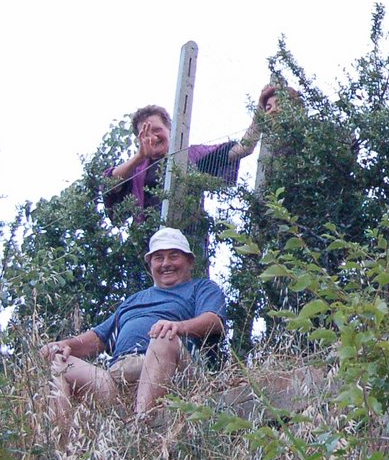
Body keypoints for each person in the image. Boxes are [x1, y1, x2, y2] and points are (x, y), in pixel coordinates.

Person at [39, 227, 227, 419]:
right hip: (116, 379)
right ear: (150, 265)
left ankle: (141, 424)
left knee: (164, 337)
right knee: (57, 363)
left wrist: (177, 327)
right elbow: (97, 339)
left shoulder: (202, 287)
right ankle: (59, 444)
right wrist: (64, 345)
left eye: (174, 256)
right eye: (158, 258)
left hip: (171, 371)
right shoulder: (133, 300)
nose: (166, 263)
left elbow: (214, 320)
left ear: (190, 261)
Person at [103, 95, 269, 216]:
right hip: (151, 249)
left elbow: (243, 149)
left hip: (188, 242)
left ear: (171, 129)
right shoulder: (136, 168)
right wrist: (140, 156)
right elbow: (109, 185)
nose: (152, 137)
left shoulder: (193, 156)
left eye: (157, 130)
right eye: (145, 133)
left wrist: (260, 113)